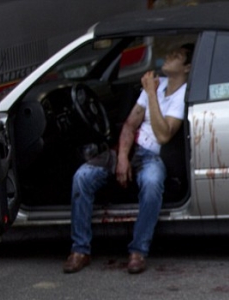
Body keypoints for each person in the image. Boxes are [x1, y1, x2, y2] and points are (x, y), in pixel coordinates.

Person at [62, 43, 193, 275]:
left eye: (177, 55)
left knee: (152, 183)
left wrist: (151, 93)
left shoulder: (181, 95)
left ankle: (138, 251)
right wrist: (122, 157)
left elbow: (163, 134)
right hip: (131, 149)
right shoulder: (156, 85)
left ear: (187, 67)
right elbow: (130, 124)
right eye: (172, 51)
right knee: (82, 177)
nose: (169, 55)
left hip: (152, 155)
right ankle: (80, 249)